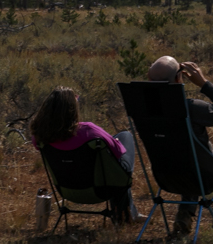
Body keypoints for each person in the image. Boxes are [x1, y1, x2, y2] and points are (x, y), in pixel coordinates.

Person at [147, 56, 213, 234]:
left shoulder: (144, 110)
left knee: (186, 155)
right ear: (179, 79)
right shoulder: (191, 108)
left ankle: (184, 215)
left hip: (167, 177)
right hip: (203, 178)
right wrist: (203, 83)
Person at [29, 87, 144, 223]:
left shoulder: (40, 137)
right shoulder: (89, 131)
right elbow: (118, 152)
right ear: (72, 109)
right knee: (125, 136)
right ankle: (124, 215)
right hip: (101, 190)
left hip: (67, 190)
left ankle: (130, 213)